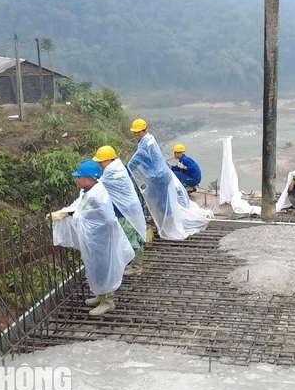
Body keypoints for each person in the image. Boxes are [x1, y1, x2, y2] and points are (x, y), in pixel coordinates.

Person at [48, 160, 134, 316]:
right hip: (94, 238)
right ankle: (101, 294)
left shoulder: (96, 196)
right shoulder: (88, 191)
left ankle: (108, 301)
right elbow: (79, 206)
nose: (77, 180)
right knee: (95, 266)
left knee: (104, 267)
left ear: (89, 179)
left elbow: (105, 219)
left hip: (102, 238)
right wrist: (65, 212)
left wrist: (75, 216)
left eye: (79, 177)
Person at [127, 119, 213, 240]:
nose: (136, 134)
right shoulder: (150, 139)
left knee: (162, 204)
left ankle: (170, 227)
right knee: (158, 201)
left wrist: (124, 171)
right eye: (134, 132)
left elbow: (134, 161)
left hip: (159, 179)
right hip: (161, 176)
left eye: (138, 132)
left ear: (145, 130)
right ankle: (164, 223)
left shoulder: (144, 145)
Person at [92, 145, 148, 276]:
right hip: (130, 208)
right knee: (135, 236)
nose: (99, 165)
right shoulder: (119, 166)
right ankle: (134, 263)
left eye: (101, 162)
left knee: (131, 238)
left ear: (108, 161)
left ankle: (137, 267)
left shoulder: (111, 172)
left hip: (124, 212)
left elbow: (98, 186)